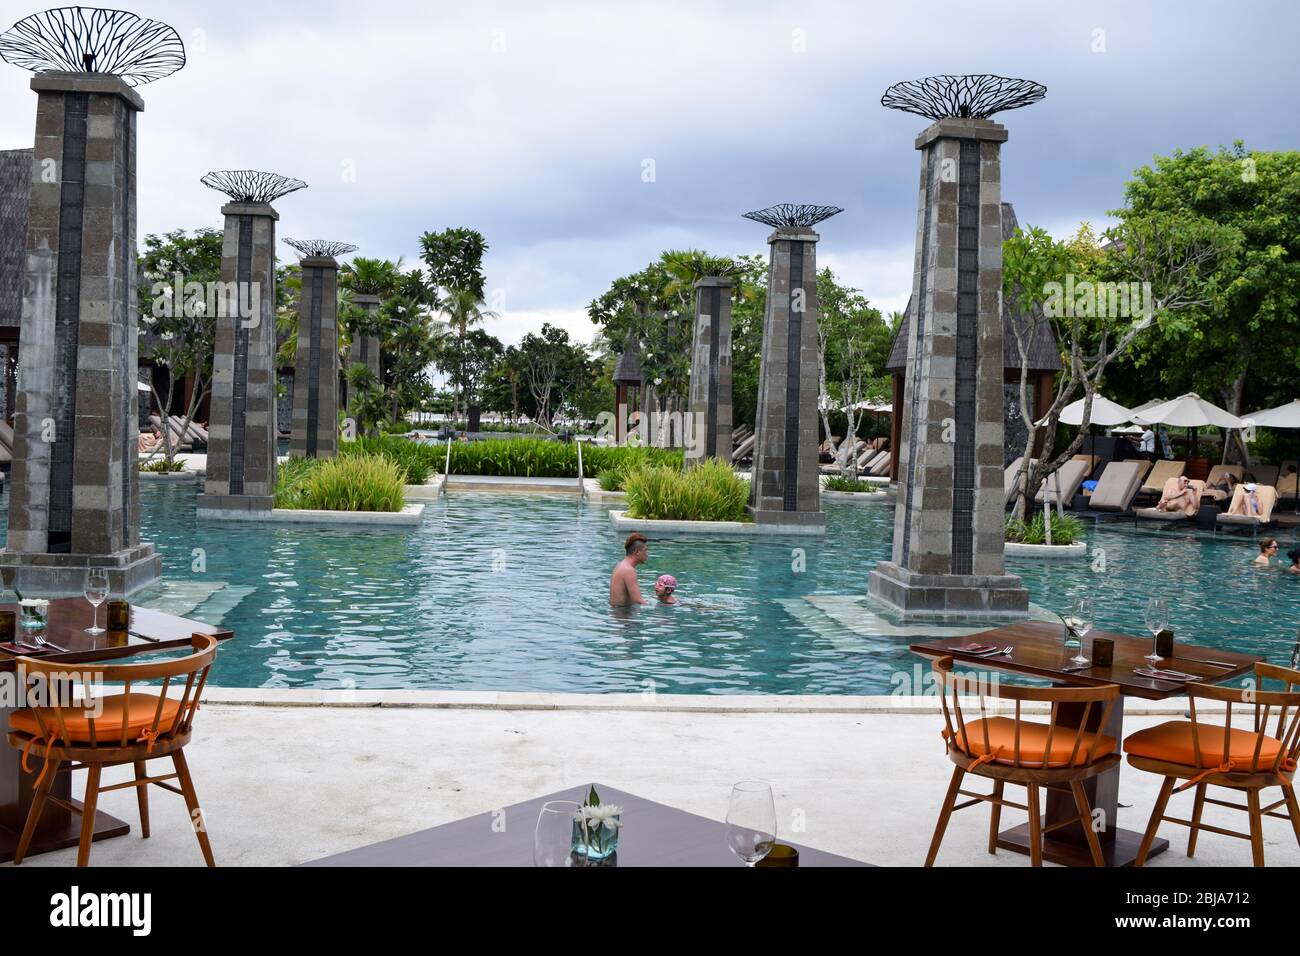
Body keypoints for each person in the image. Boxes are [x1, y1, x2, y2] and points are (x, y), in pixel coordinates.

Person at [609, 532, 649, 606]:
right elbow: (638, 600)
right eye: (645, 550)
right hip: (624, 615)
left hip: (618, 613)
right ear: (637, 551)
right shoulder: (629, 570)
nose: (647, 554)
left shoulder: (621, 565)